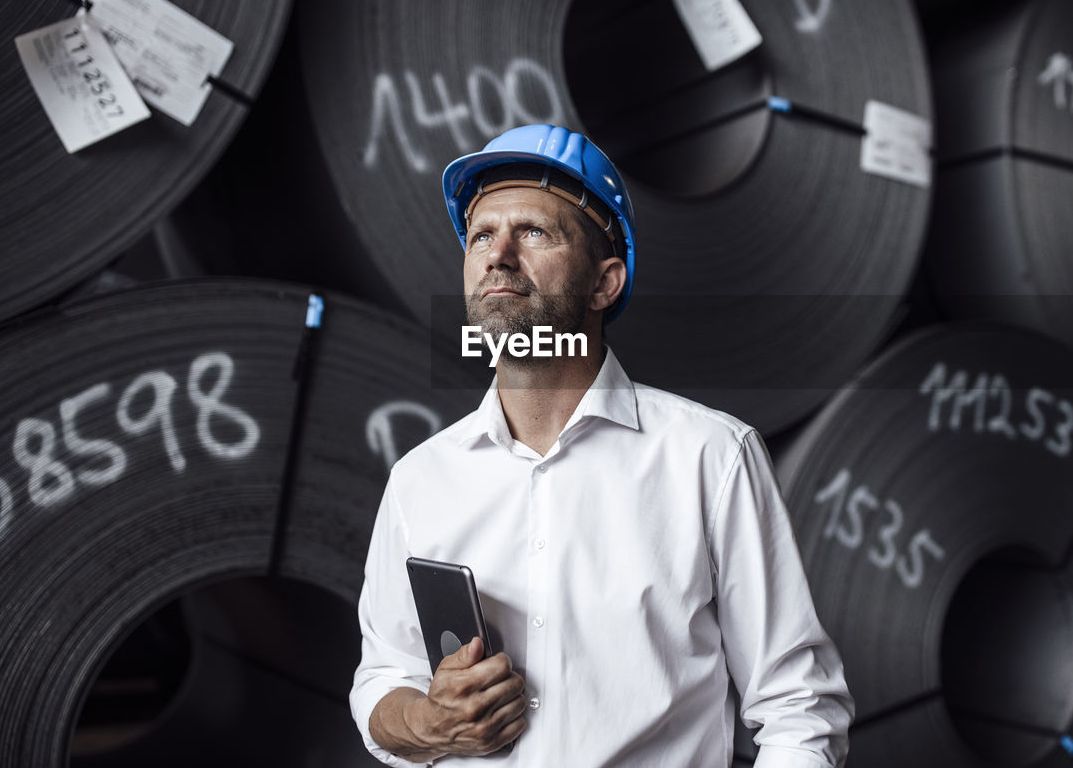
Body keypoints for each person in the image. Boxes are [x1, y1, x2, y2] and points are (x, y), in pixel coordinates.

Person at [350, 124, 854, 766]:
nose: (498, 254)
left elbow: (799, 707)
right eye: (481, 235)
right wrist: (430, 719)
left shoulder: (709, 459)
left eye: (533, 231)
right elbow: (381, 682)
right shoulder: (421, 480)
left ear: (604, 283)